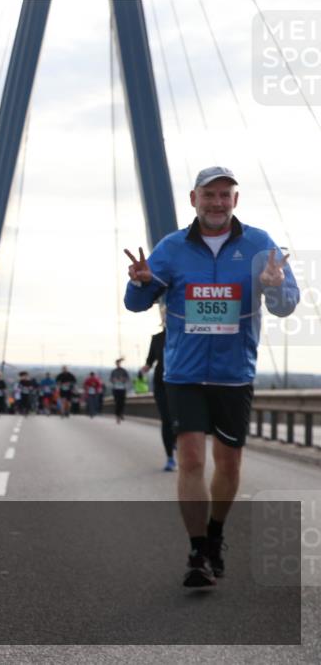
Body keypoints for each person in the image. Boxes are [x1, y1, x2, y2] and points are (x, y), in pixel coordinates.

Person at [124, 166, 299, 588]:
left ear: (235, 200)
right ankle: (198, 551)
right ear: (193, 199)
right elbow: (136, 302)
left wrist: (274, 286)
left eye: (225, 195)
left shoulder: (259, 245)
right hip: (183, 373)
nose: (217, 203)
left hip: (233, 374)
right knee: (191, 459)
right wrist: (140, 282)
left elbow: (285, 305)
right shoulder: (172, 247)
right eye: (209, 195)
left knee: (228, 463)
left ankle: (217, 533)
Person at [142, 308, 175, 470]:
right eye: (165, 315)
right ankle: (170, 458)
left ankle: (177, 442)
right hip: (161, 384)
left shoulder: (186, 336)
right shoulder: (157, 339)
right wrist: (144, 369)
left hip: (181, 383)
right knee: (167, 420)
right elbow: (150, 360)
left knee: (179, 420)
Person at [109, 359, 130, 424]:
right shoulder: (113, 371)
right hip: (115, 389)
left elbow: (127, 378)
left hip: (122, 388)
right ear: (116, 364)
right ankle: (117, 416)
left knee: (122, 402)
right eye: (117, 363)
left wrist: (123, 379)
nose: (118, 364)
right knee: (117, 402)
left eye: (119, 363)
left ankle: (121, 414)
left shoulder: (124, 371)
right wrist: (114, 380)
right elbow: (111, 379)